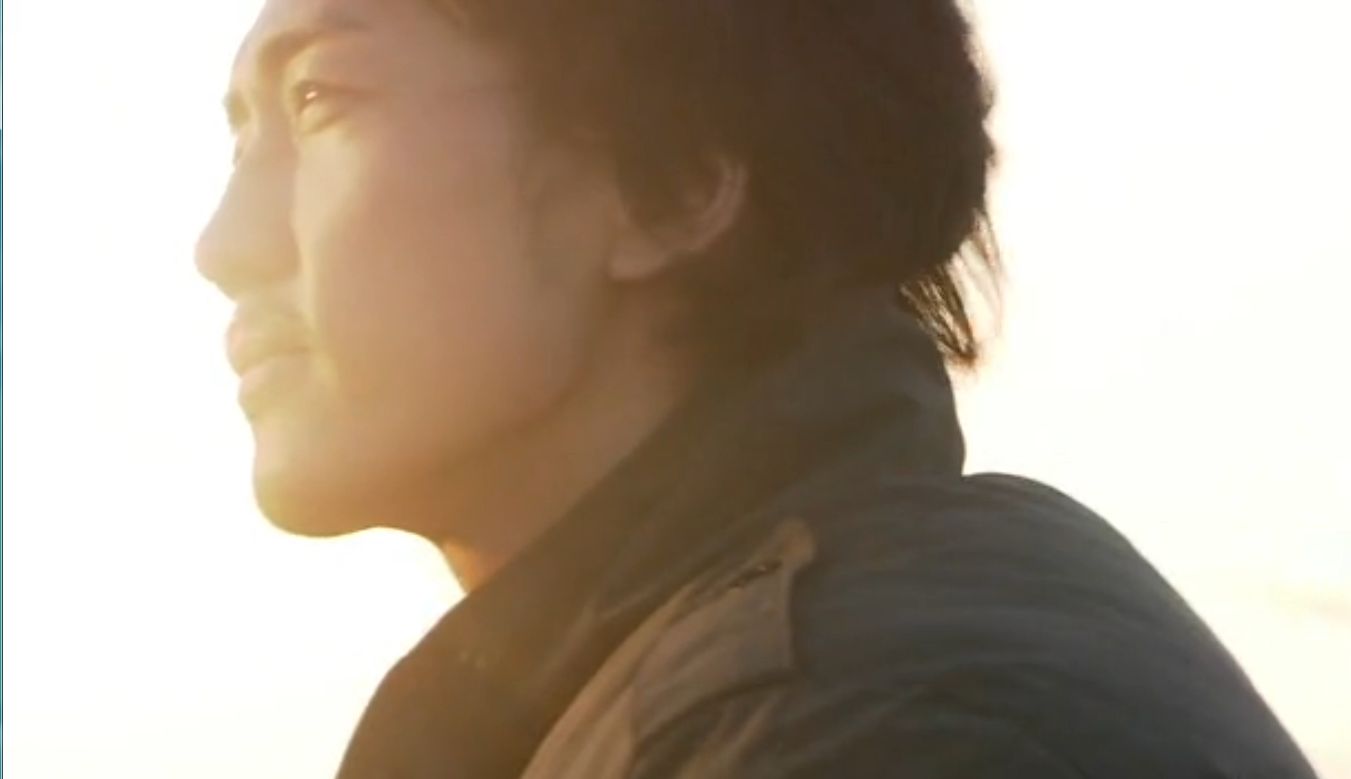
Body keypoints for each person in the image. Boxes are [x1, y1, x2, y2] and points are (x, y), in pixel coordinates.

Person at [196, 0, 1319, 777]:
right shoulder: (792, 663)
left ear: (673, 187)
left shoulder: (853, 719)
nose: (224, 245)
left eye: (320, 99)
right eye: (242, 139)